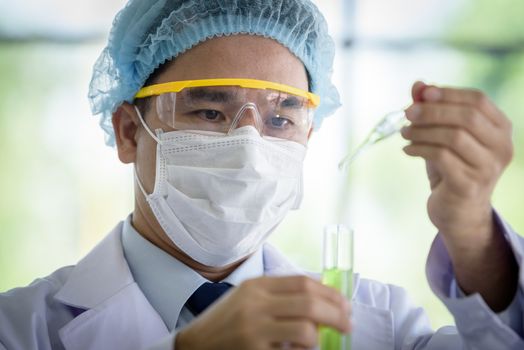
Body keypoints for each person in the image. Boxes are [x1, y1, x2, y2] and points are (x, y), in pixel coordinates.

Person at [0, 0, 523, 349]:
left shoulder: (376, 325)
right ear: (129, 133)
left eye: (280, 118)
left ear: (308, 138)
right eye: (209, 112)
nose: (250, 146)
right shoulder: (21, 328)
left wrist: (473, 232)